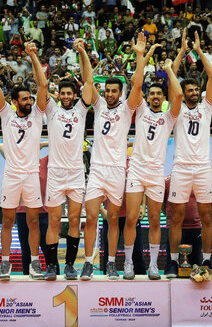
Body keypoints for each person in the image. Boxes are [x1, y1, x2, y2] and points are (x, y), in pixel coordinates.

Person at [81, 33, 147, 280]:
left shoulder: (127, 108)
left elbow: (138, 85)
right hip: (97, 168)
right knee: (90, 217)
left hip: (118, 170)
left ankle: (110, 262)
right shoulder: (97, 105)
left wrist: (139, 55)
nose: (109, 94)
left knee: (112, 218)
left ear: (120, 92)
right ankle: (88, 263)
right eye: (106, 90)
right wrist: (84, 53)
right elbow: (88, 81)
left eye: (113, 91)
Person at [123, 48, 182, 280]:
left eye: (159, 94)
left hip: (156, 172)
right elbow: (136, 85)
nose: (156, 96)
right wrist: (142, 59)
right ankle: (128, 263)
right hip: (136, 170)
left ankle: (154, 265)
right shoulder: (141, 109)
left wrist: (168, 70)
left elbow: (178, 96)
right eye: (153, 94)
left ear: (163, 98)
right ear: (148, 98)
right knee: (131, 218)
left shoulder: (169, 117)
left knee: (155, 220)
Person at [42, 39, 95, 281]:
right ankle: (51, 265)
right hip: (55, 172)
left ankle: (70, 266)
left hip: (75, 173)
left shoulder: (81, 110)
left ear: (74, 95)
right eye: (62, 93)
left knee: (75, 220)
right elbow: (42, 86)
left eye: (68, 93)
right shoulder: (51, 109)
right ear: (58, 95)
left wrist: (82, 52)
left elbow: (90, 82)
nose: (65, 96)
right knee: (54, 220)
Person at [0, 41, 48, 280]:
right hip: (11, 175)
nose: (29, 101)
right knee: (7, 220)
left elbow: (43, 84)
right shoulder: (6, 114)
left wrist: (33, 56)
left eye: (30, 98)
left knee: (34, 221)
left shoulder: (37, 115)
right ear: (15, 101)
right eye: (24, 99)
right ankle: (5, 263)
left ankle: (35, 263)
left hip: (31, 175)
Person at [167, 30, 212, 278]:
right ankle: (174, 261)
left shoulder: (207, 108)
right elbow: (171, 79)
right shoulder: (176, 109)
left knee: (206, 216)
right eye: (190, 90)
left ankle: (208, 260)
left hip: (203, 168)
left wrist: (198, 51)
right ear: (184, 93)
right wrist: (180, 51)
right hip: (181, 168)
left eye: (196, 90)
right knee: (176, 216)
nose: (194, 93)